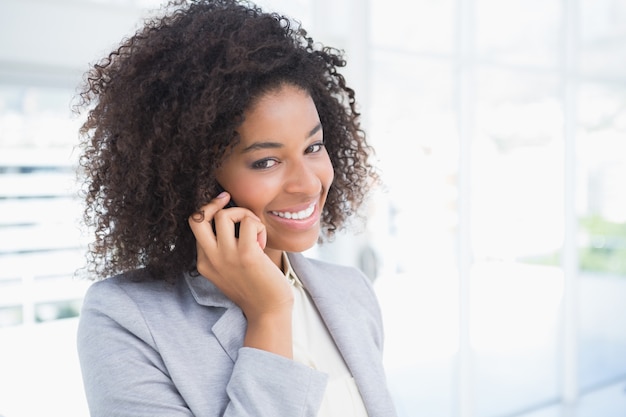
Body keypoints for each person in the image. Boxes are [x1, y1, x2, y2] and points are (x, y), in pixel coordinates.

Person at [75, 0, 397, 416]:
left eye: (313, 147)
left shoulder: (350, 293)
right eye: (266, 161)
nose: (309, 183)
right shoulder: (125, 319)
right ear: (197, 176)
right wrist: (268, 315)